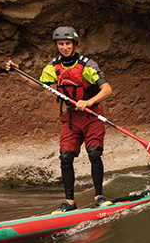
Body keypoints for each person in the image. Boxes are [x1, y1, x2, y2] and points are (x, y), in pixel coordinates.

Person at [7, 26, 114, 211]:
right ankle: (70, 202)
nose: (64, 47)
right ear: (56, 45)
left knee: (94, 153)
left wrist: (88, 102)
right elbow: (40, 86)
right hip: (71, 118)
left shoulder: (87, 65)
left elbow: (107, 89)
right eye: (61, 44)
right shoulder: (53, 66)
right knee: (65, 157)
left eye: (68, 43)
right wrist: (18, 73)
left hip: (92, 115)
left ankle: (99, 197)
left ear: (75, 45)